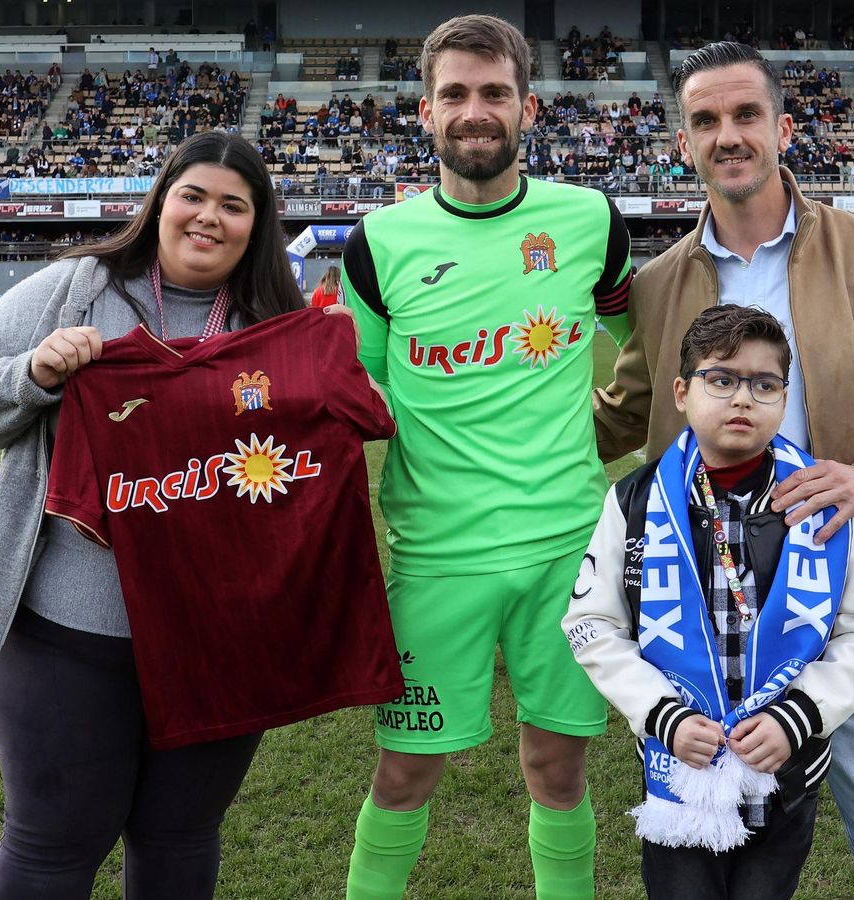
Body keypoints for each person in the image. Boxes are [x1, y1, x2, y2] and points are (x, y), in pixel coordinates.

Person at [0, 131, 397, 898]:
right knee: (52, 842)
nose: (208, 216)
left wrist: (347, 384)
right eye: (193, 196)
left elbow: (372, 417)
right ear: (160, 204)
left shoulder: (280, 331)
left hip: (225, 636)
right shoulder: (77, 288)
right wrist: (34, 373)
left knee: (180, 835)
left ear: (258, 225)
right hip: (66, 634)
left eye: (233, 205)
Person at [591, 41, 854, 898]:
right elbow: (619, 416)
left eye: (746, 114)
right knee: (705, 853)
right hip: (697, 624)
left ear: (785, 129)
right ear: (684, 143)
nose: (728, 134)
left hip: (830, 599)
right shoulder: (658, 284)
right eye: (706, 120)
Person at [339, 16, 634, 900]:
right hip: (437, 556)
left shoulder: (589, 221)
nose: (477, 110)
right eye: (456, 94)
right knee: (404, 772)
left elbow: (651, 343)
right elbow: (362, 394)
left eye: (495, 92)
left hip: (568, 551)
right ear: (426, 113)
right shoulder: (377, 244)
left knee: (558, 769)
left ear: (528, 108)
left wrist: (615, 421)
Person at [564, 305, 854, 898]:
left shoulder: (820, 499)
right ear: (681, 392)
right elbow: (591, 623)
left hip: (785, 767)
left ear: (785, 399)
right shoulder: (637, 501)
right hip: (679, 765)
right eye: (721, 379)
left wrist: (799, 716)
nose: (743, 398)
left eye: (764, 385)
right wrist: (661, 715)